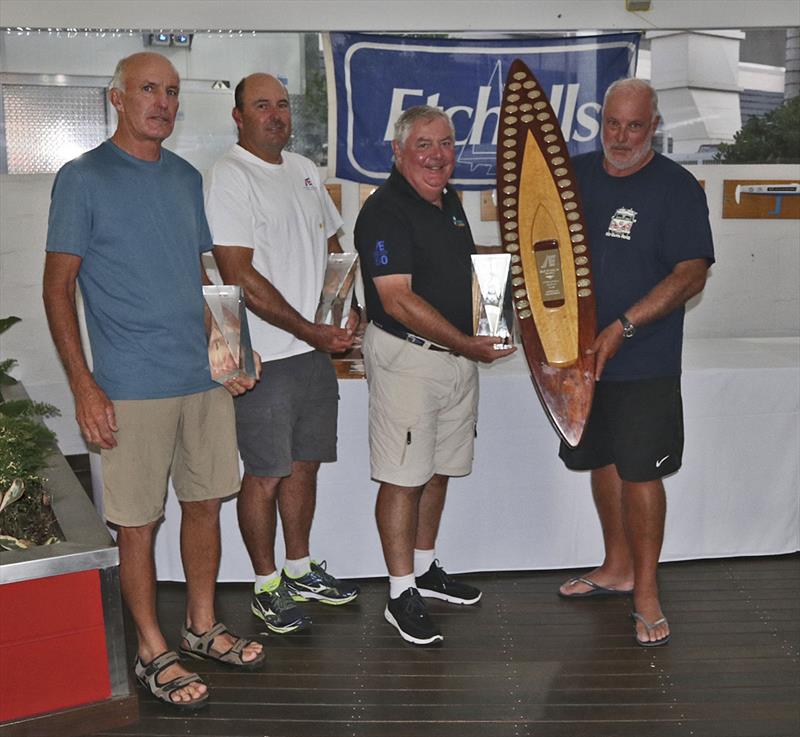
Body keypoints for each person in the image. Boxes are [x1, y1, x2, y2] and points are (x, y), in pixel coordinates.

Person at [42, 53, 265, 711]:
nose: (162, 102)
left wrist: (232, 351)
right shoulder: (82, 178)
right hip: (129, 386)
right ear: (117, 97)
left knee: (206, 502)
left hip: (201, 380)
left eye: (171, 92)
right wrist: (84, 386)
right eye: (148, 90)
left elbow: (202, 276)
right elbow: (59, 287)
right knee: (137, 523)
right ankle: (149, 647)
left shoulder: (185, 177)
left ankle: (201, 625)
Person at [557, 78, 715, 647]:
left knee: (641, 472)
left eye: (635, 126)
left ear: (654, 127)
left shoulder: (676, 187)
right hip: (580, 360)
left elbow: (690, 272)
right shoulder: (570, 175)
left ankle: (646, 591)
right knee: (601, 460)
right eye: (612, 125)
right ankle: (617, 567)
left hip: (644, 358)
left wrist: (624, 327)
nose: (621, 138)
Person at [204, 73, 361, 635]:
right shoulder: (229, 176)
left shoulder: (302, 170)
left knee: (304, 466)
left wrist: (345, 309)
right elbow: (238, 273)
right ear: (239, 117)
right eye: (262, 106)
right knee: (265, 474)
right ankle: (267, 586)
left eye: (283, 106)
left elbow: (332, 246)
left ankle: (299, 569)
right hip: (267, 357)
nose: (276, 115)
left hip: (313, 352)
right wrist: (308, 330)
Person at [354, 105, 516, 646]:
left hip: (455, 361)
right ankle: (401, 594)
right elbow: (397, 299)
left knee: (439, 468)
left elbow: (465, 272)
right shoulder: (383, 211)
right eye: (424, 144)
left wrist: (519, 273)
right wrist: (468, 342)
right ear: (398, 152)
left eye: (446, 144)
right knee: (403, 476)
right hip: (409, 359)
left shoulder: (449, 203)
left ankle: (423, 570)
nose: (437, 155)